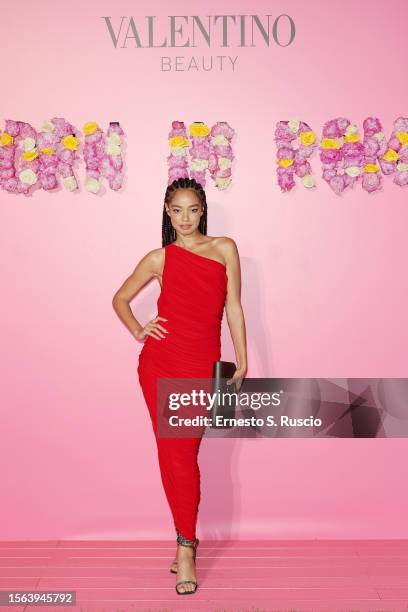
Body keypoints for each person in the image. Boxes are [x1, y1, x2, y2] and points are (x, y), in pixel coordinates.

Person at [112, 176, 247, 595]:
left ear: (202, 210)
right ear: (167, 213)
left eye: (192, 209)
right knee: (175, 456)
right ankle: (186, 547)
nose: (185, 218)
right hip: (160, 363)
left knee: (182, 454)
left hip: (201, 366)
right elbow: (119, 298)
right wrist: (139, 330)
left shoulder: (225, 248)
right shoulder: (159, 258)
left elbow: (234, 307)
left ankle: (183, 540)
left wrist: (242, 360)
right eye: (177, 210)